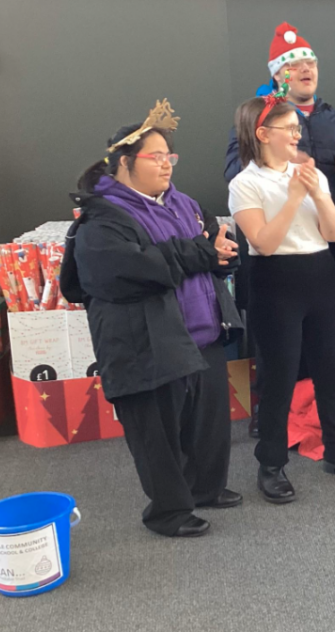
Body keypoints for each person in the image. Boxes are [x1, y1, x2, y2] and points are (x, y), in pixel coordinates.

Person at [61, 101, 243, 538]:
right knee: (157, 434)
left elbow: (209, 249)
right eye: (155, 156)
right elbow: (134, 269)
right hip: (146, 342)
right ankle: (168, 512)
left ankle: (205, 488)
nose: (167, 164)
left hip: (202, 333)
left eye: (169, 156)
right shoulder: (102, 218)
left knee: (208, 423)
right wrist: (201, 252)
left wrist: (221, 258)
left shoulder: (184, 203)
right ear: (124, 163)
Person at [229, 91, 335, 504]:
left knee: (330, 370)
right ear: (263, 134)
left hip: (319, 276)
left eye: (298, 127)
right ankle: (271, 463)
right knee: (278, 377)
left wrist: (316, 193)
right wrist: (294, 197)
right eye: (290, 128)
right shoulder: (245, 184)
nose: (297, 135)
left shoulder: (311, 174)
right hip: (275, 282)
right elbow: (265, 242)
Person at [225, 23, 335, 438]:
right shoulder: (258, 118)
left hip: (321, 249)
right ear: (278, 74)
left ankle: (324, 424)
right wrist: (283, 177)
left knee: (325, 347)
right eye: (296, 64)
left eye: (311, 62)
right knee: (276, 351)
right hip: (273, 257)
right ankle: (272, 420)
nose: (306, 69)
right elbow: (240, 175)